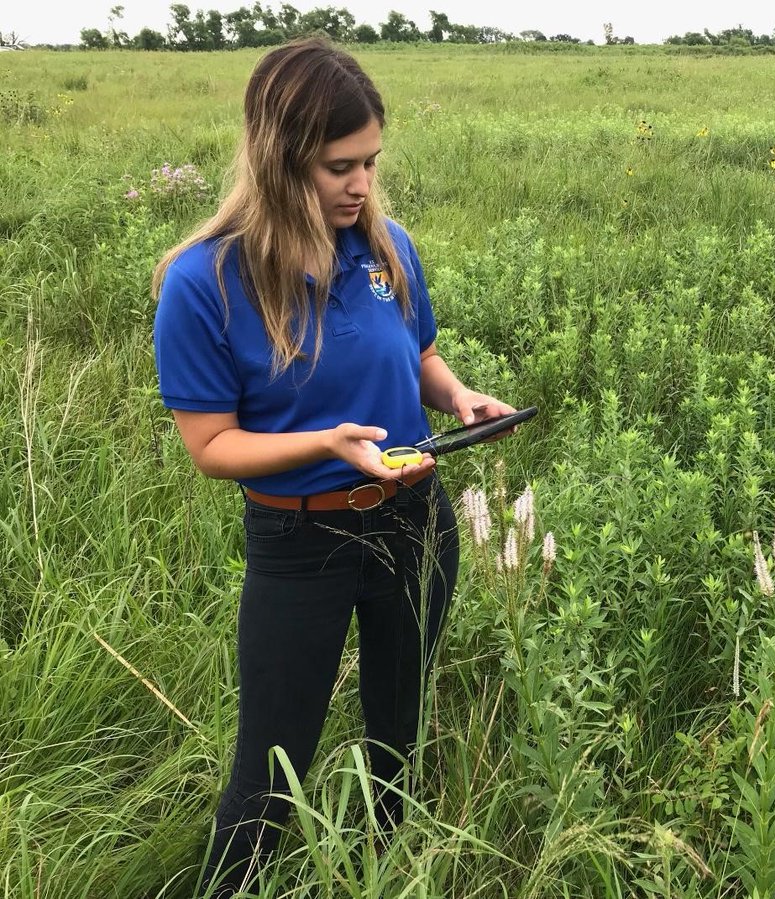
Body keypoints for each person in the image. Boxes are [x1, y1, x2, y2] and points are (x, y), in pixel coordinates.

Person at [151, 37, 514, 895]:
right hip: (300, 540)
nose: (360, 185)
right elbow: (211, 447)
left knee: (400, 734)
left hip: (415, 519)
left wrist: (457, 396)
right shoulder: (204, 283)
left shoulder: (387, 248)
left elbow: (417, 353)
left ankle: (389, 873)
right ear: (279, 160)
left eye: (371, 162)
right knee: (270, 770)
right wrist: (324, 444)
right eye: (337, 166)